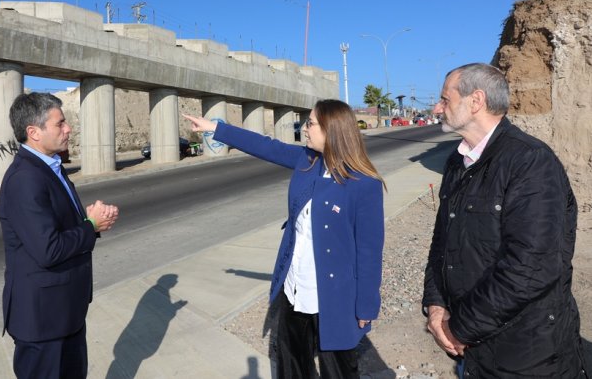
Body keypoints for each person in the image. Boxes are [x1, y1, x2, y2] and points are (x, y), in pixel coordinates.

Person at [184, 99, 385, 379]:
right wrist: (217, 129)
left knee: (337, 371)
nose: (305, 129)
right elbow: (267, 146)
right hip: (294, 291)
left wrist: (366, 305)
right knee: (291, 367)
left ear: (332, 131)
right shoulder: (307, 161)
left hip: (335, 299)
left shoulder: (364, 185)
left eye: (311, 123)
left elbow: (369, 252)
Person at [422, 63, 587, 377]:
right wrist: (435, 304)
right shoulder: (458, 161)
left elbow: (531, 267)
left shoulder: (530, 162)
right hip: (472, 349)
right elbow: (441, 243)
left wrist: (459, 328)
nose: (437, 107)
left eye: (446, 99)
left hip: (526, 354)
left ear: (476, 101)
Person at [0, 92, 119, 379]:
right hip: (42, 323)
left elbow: (61, 228)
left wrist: (91, 220)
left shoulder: (52, 169)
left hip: (66, 313)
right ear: (34, 132)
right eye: (60, 123)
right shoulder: (25, 179)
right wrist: (90, 225)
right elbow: (48, 249)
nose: (68, 129)